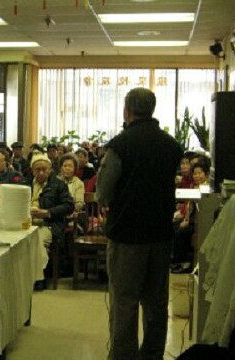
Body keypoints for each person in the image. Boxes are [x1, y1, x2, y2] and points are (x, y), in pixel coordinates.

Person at [97, 87, 182, 360]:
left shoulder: (120, 144)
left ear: (127, 110)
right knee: (156, 302)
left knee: (125, 301)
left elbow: (103, 192)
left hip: (127, 235)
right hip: (160, 232)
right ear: (153, 110)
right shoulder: (171, 145)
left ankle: (123, 357)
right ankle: (152, 355)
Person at [29, 151, 74, 291]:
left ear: (50, 170)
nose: (41, 173)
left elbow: (68, 206)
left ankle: (39, 277)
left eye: (45, 169)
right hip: (26, 223)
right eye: (38, 170)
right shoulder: (26, 183)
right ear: (32, 171)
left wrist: (47, 213)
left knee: (37, 241)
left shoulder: (59, 185)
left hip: (48, 225)